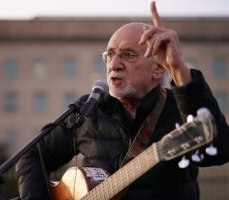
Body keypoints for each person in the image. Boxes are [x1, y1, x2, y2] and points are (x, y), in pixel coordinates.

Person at [15, 2, 229, 200]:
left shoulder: (180, 106)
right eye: (110, 54)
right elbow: (33, 154)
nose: (114, 64)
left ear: (158, 68)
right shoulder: (88, 110)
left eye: (128, 55)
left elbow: (220, 150)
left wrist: (180, 70)